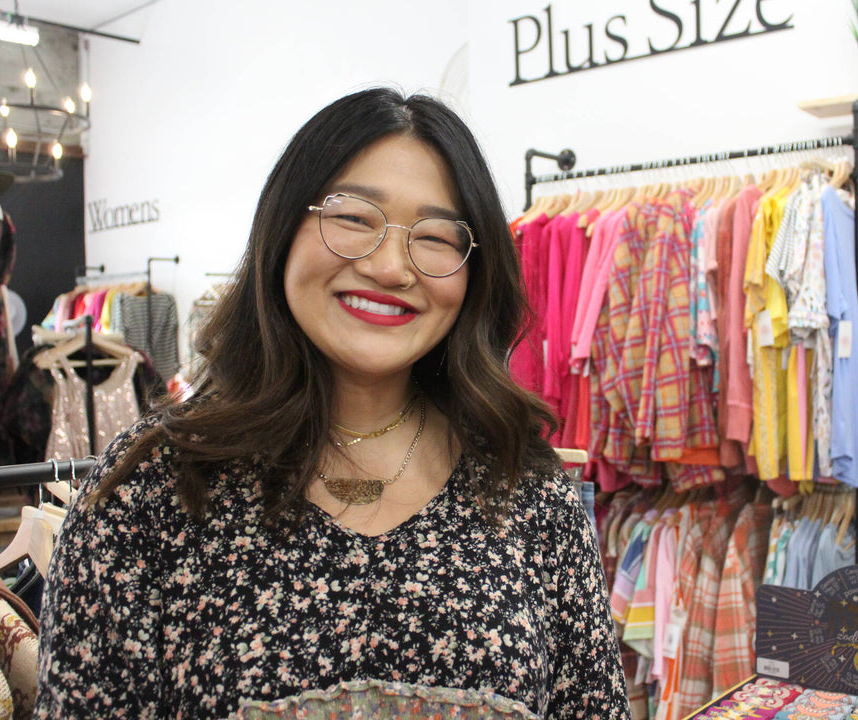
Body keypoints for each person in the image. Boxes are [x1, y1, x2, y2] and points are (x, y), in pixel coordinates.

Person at [35, 87, 630, 719]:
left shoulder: (527, 490)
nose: (392, 267)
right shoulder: (152, 491)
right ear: (283, 228)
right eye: (352, 218)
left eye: (434, 237)